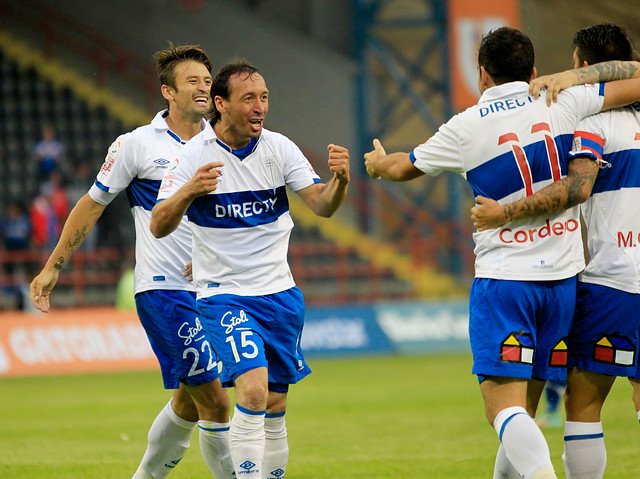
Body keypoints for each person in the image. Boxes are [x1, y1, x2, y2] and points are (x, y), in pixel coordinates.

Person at [364, 26, 640, 479]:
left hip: (506, 282)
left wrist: (377, 165)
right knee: (525, 411)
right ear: (532, 70)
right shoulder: (562, 101)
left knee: (503, 410)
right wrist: (571, 79)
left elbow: (400, 166)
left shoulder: (465, 125)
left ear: (482, 74)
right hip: (563, 286)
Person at [29, 44, 235, 479]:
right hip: (165, 290)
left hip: (216, 289)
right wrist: (54, 266)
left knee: (188, 401)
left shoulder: (226, 143)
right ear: (168, 91)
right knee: (216, 401)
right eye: (192, 82)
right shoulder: (136, 145)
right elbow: (91, 205)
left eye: (206, 81)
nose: (203, 89)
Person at [150, 59, 350, 479]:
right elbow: (159, 223)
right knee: (254, 391)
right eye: (248, 99)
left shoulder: (279, 148)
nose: (259, 107)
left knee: (275, 407)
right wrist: (190, 190)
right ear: (220, 104)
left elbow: (322, 205)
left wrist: (340, 181)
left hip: (280, 295)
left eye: (263, 98)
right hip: (224, 296)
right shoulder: (194, 156)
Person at [469, 23, 640, 478]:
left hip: (613, 280)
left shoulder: (590, 121)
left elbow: (578, 188)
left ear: (585, 66)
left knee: (582, 402)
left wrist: (506, 214)